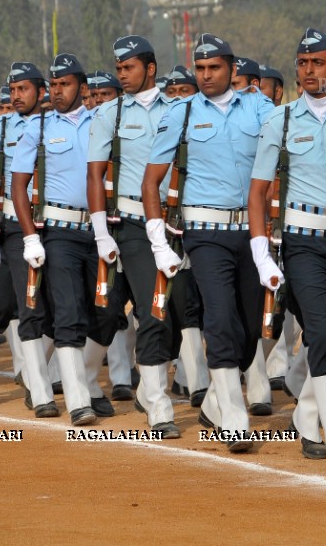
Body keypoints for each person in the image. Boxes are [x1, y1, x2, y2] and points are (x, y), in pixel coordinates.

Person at [142, 33, 273, 452]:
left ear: (233, 70)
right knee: (218, 316)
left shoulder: (260, 106)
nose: (205, 75)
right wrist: (158, 239)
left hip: (252, 233)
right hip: (205, 233)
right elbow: (152, 182)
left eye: (214, 68)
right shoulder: (179, 114)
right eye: (199, 68)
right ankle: (235, 418)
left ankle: (215, 402)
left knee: (248, 329)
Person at [249, 29, 326, 471]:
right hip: (302, 244)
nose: (309, 71)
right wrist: (262, 251)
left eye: (318, 63)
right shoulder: (279, 121)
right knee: (320, 334)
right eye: (302, 63)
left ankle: (305, 413)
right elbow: (258, 191)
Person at [88, 35, 186, 438]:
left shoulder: (181, 109)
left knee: (177, 313)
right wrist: (100, 234)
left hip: (176, 224)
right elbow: (95, 174)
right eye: (118, 68)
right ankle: (158, 403)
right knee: (152, 308)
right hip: (130, 224)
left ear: (150, 68)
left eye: (128, 67)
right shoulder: (108, 114)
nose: (121, 75)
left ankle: (125, 382)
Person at [11, 53, 116, 426]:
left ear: (83, 88)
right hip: (59, 232)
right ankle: (77, 400)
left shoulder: (102, 122)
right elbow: (18, 186)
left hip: (102, 230)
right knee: (69, 312)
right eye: (53, 85)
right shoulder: (37, 128)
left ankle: (84, 380)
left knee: (106, 313)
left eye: (65, 84)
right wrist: (30, 238)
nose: (56, 91)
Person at [0, 62, 57, 418]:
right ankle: (39, 390)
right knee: (27, 308)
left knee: (60, 306)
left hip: (58, 227)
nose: (16, 96)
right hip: (15, 228)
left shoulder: (58, 124)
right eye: (12, 90)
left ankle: (35, 374)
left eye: (23, 89)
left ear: (41, 91)